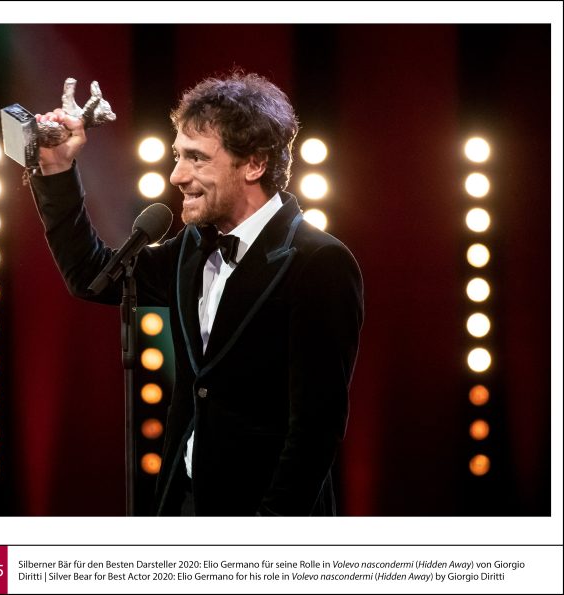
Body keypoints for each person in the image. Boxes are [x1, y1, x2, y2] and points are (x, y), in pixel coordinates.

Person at [28, 71, 363, 516]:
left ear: (254, 164)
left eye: (197, 158)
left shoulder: (319, 262)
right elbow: (94, 275)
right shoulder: (192, 247)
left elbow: (315, 431)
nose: (177, 175)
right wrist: (56, 168)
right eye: (178, 155)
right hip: (184, 505)